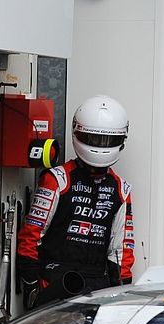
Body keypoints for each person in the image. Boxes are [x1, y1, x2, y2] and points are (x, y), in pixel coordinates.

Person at [17, 95, 135, 310]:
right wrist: (32, 283)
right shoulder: (57, 179)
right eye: (93, 138)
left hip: (98, 288)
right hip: (55, 282)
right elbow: (31, 235)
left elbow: (121, 251)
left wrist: (122, 291)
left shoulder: (121, 189)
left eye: (107, 140)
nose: (100, 146)